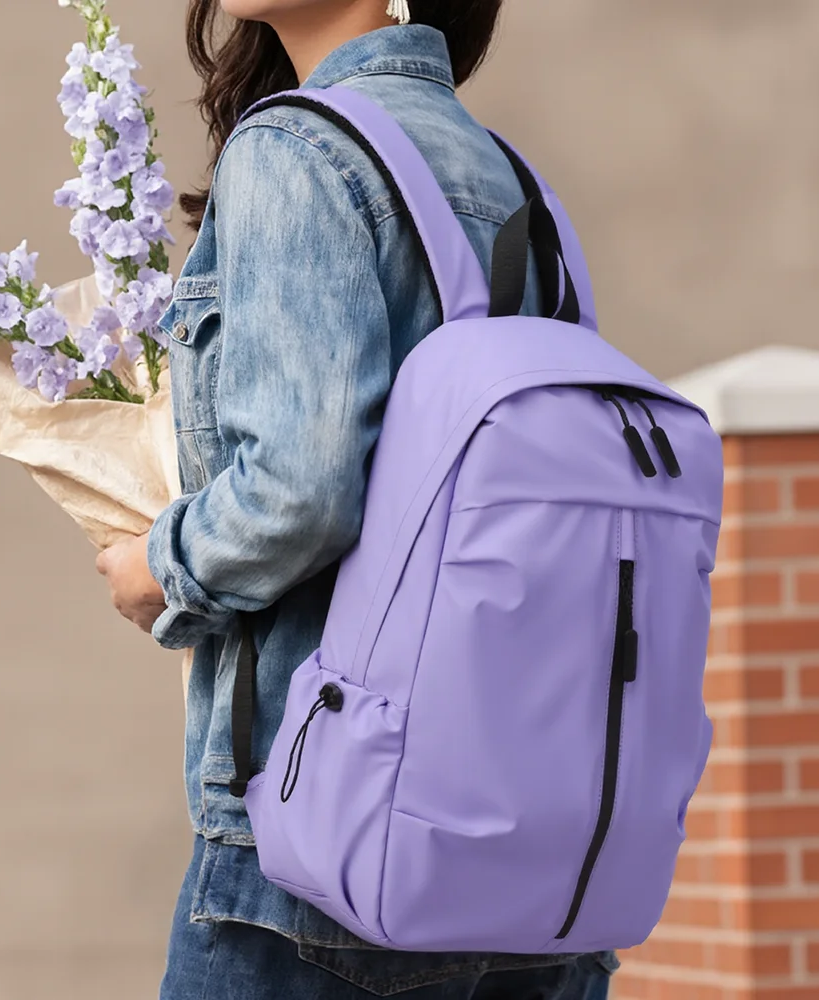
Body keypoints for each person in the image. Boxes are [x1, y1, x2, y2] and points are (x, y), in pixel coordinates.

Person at [96, 1, 619, 996]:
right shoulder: (512, 178)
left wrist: (160, 569)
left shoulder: (295, 147)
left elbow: (301, 491)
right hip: (532, 841)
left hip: (321, 839)